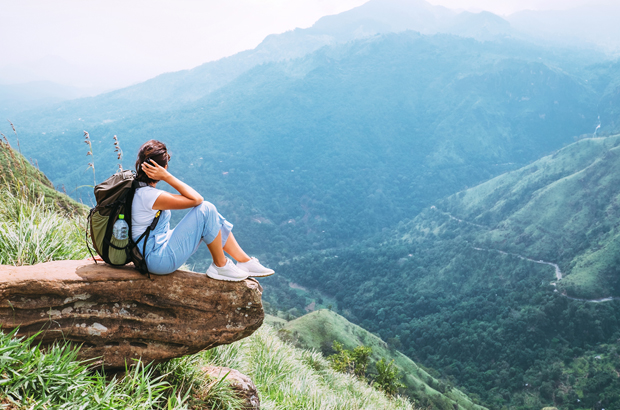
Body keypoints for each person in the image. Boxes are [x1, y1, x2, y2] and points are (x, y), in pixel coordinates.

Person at [131, 139, 274, 281]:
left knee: (212, 216)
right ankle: (220, 265)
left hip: (152, 249)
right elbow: (197, 199)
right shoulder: (149, 196)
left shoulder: (138, 189)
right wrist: (167, 177)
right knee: (206, 209)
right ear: (164, 168)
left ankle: (245, 262)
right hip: (156, 259)